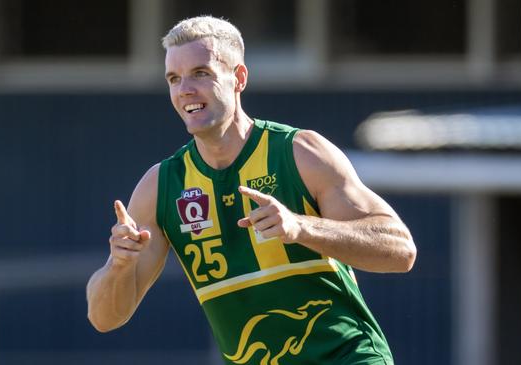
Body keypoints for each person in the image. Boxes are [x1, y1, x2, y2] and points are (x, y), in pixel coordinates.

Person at [87, 15, 416, 365]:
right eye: (174, 78)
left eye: (201, 73)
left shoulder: (300, 152)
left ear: (239, 78)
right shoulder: (162, 185)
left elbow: (400, 249)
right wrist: (119, 266)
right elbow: (104, 318)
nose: (184, 90)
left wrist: (302, 227)